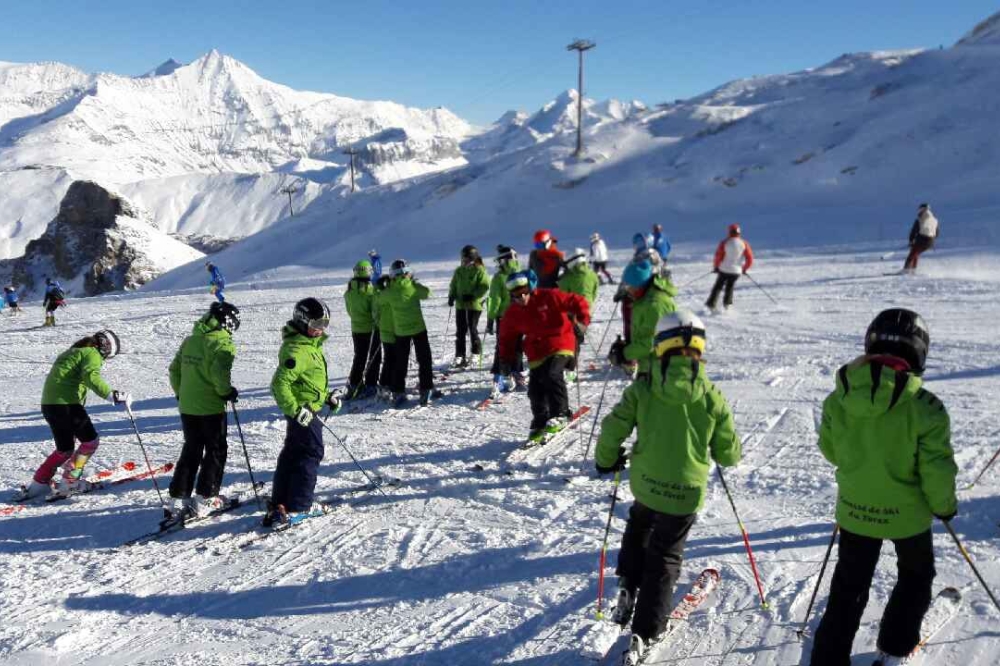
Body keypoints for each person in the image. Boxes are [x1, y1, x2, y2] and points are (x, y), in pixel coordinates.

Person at [810, 308, 957, 666]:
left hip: (857, 511)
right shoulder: (926, 408)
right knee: (916, 575)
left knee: (849, 585)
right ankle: (894, 647)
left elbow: (831, 450)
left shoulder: (839, 398)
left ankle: (829, 657)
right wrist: (944, 507)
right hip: (908, 518)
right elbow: (936, 470)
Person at [596, 310, 740, 665]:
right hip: (684, 493)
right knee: (664, 557)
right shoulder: (711, 396)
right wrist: (720, 450)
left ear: (661, 347)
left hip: (646, 483)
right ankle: (644, 633)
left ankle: (629, 581)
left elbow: (614, 426)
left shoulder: (643, 387)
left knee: (640, 521)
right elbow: (729, 452)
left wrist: (606, 459)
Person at [15, 330, 129, 500]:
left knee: (65, 449)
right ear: (106, 348)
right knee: (90, 442)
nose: (104, 360)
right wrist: (112, 395)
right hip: (67, 404)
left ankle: (39, 483)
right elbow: (92, 376)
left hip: (49, 405)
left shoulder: (72, 352)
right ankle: (70, 481)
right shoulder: (92, 353)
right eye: (108, 356)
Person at [265, 298, 341, 526]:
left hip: (307, 408)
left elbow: (307, 382)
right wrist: (297, 410)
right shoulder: (297, 350)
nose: (320, 329)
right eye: (316, 323)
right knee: (311, 453)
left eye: (325, 324)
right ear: (302, 321)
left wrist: (326, 397)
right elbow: (279, 385)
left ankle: (281, 500)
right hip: (303, 412)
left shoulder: (308, 345)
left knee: (293, 453)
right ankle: (300, 504)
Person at [166, 302, 240, 519]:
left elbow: (174, 371)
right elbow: (219, 374)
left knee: (192, 449)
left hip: (188, 406)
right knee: (215, 450)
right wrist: (226, 392)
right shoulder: (222, 344)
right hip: (210, 407)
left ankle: (178, 499)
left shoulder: (191, 341)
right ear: (227, 323)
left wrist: (182, 393)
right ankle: (205, 497)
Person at [497, 270, 590, 443]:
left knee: (552, 374)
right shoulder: (513, 313)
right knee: (534, 388)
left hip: (561, 341)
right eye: (516, 294)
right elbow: (506, 339)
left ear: (530, 288)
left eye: (524, 291)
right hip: (537, 350)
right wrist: (505, 361)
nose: (522, 296)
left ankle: (561, 413)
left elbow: (577, 301)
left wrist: (582, 321)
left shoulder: (549, 296)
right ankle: (541, 419)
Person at [384, 259, 441, 408]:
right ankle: (426, 387)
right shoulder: (414, 287)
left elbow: (378, 299)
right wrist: (414, 284)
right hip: (418, 329)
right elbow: (428, 293)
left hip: (401, 331)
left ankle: (398, 390)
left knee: (400, 361)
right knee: (424, 359)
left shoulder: (389, 292)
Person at [609, 260, 678, 377]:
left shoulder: (654, 304)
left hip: (660, 369)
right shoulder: (644, 300)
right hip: (649, 365)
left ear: (639, 285)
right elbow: (644, 334)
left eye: (630, 286)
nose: (628, 290)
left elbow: (653, 342)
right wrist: (626, 346)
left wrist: (625, 353)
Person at [487, 246, 527, 392]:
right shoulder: (522, 274)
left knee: (502, 347)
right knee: (517, 347)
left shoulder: (499, 277)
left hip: (504, 318)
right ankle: (516, 374)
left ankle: (501, 376)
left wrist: (491, 318)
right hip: (520, 317)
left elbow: (494, 299)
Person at [558, 248, 600, 376]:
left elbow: (561, 295)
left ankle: (570, 368)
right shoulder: (592, 274)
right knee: (577, 337)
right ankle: (571, 365)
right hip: (586, 312)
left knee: (571, 339)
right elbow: (594, 292)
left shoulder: (568, 278)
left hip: (572, 314)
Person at [448, 245, 490, 368]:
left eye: (466, 258)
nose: (464, 260)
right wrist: (452, 296)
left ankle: (476, 353)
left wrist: (473, 296)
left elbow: (484, 287)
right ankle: (460, 355)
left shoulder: (479, 270)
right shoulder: (459, 271)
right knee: (460, 331)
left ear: (473, 258)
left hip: (474, 305)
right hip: (461, 305)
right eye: (463, 258)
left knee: (472, 329)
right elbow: (453, 285)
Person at [344, 260, 380, 399]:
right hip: (370, 329)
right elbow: (375, 312)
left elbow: (349, 311)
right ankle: (371, 385)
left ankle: (354, 384)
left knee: (359, 357)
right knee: (374, 357)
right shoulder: (370, 291)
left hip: (356, 329)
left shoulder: (349, 291)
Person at [705, 223, 753, 313]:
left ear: (729, 232)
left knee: (718, 286)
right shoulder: (744, 243)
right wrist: (744, 269)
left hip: (724, 269)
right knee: (730, 287)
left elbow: (718, 256)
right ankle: (727, 304)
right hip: (736, 271)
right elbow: (750, 258)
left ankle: (711, 304)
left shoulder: (725, 243)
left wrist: (716, 267)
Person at [373, 275, 396, 401]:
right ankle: (389, 384)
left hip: (385, 331)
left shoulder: (378, 295)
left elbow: (375, 314)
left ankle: (384, 384)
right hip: (395, 331)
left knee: (389, 358)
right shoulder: (393, 296)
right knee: (394, 358)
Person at [903, 203, 939, 273]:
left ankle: (906, 270)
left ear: (922, 209)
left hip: (921, 240)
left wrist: (911, 241)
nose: (918, 211)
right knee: (915, 253)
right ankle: (913, 270)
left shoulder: (920, 219)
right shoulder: (935, 220)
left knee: (911, 255)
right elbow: (937, 233)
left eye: (919, 209)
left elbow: (914, 231)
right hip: (930, 242)